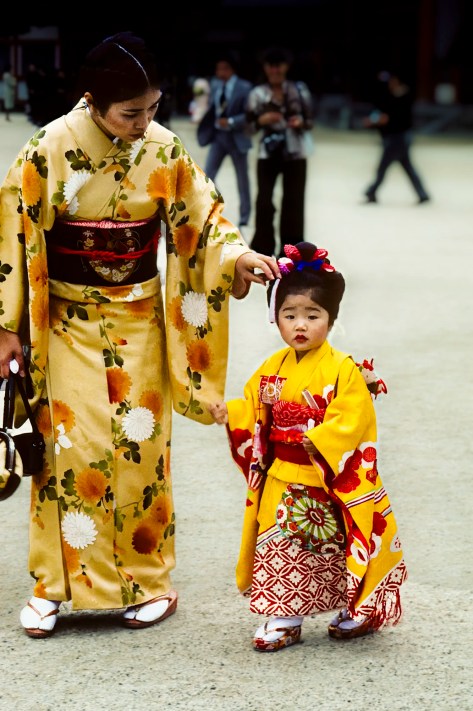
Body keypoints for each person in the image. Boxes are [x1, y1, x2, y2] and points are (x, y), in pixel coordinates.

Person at [0, 31, 280, 639]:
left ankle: (147, 579)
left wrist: (235, 259)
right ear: (94, 101)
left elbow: (201, 220)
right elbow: (17, 237)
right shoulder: (50, 147)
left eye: (154, 108)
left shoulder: (164, 149)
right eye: (132, 112)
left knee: (140, 449)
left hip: (139, 320)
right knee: (68, 448)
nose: (145, 122)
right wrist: (7, 326)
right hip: (68, 320)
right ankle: (54, 583)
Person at [209, 241, 407, 652]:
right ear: (275, 319)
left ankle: (356, 607)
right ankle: (285, 616)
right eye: (289, 315)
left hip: (326, 477)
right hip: (283, 475)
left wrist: (317, 438)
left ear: (331, 320)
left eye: (312, 315)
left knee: (335, 548)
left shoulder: (343, 369)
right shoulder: (272, 367)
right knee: (281, 547)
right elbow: (253, 405)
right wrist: (233, 413)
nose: (300, 325)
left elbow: (351, 419)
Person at [245, 48, 314, 259]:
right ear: (265, 68)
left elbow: (310, 121)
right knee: (264, 200)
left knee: (294, 200)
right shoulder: (257, 94)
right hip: (267, 151)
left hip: (295, 151)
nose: (275, 70)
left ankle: (291, 249)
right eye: (271, 65)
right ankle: (263, 248)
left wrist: (300, 123)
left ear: (286, 67)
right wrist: (261, 121)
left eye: (279, 65)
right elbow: (248, 127)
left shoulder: (299, 90)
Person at [202, 53, 253, 233]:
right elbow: (211, 107)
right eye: (218, 69)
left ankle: (245, 217)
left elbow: (249, 114)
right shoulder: (216, 85)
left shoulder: (244, 87)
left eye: (223, 68)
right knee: (207, 175)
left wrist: (231, 121)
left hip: (236, 137)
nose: (219, 72)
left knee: (242, 179)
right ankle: (210, 209)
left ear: (231, 69)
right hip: (218, 137)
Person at [363, 70, 430, 204]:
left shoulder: (401, 98)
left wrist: (373, 122)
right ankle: (422, 194)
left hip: (397, 138)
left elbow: (387, 118)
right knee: (407, 167)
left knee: (383, 167)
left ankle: (372, 191)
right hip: (401, 137)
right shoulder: (398, 96)